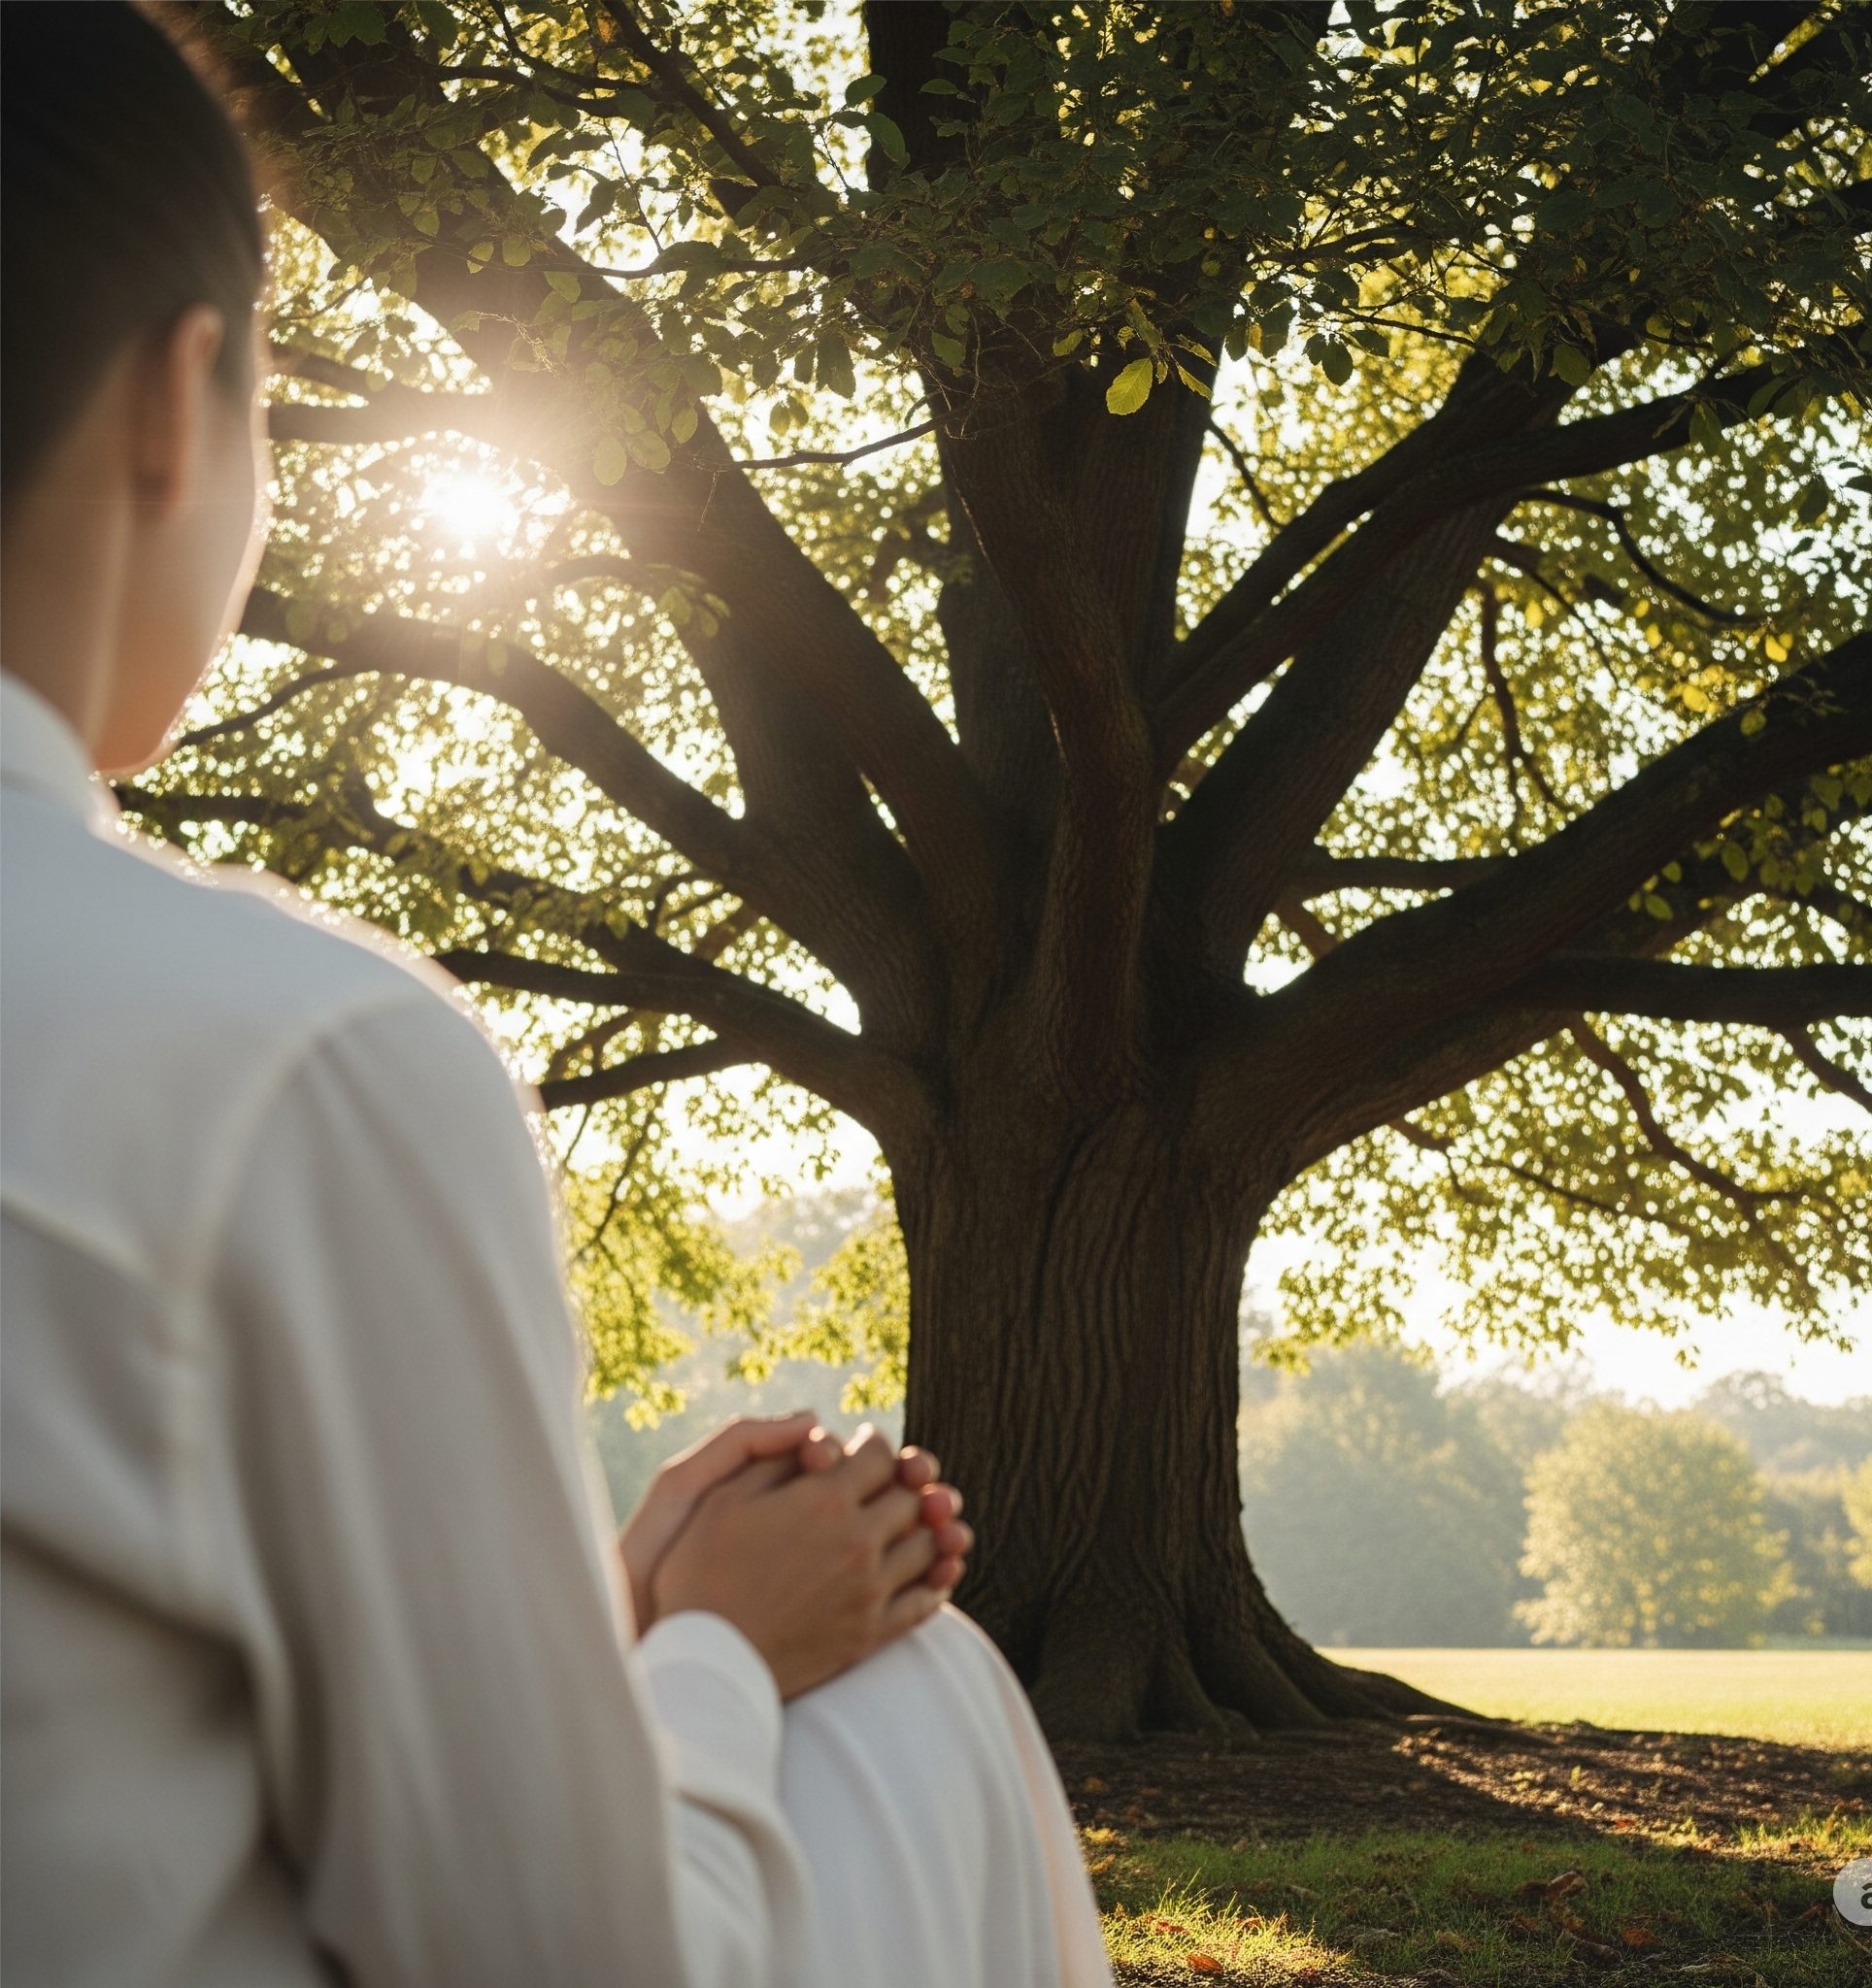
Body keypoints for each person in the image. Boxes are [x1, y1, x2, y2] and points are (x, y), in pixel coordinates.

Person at [0, 6, 1114, 1985]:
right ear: (180, 403)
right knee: (909, 1698)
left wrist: (569, 1615)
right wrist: (710, 1652)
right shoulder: (287, 1059)